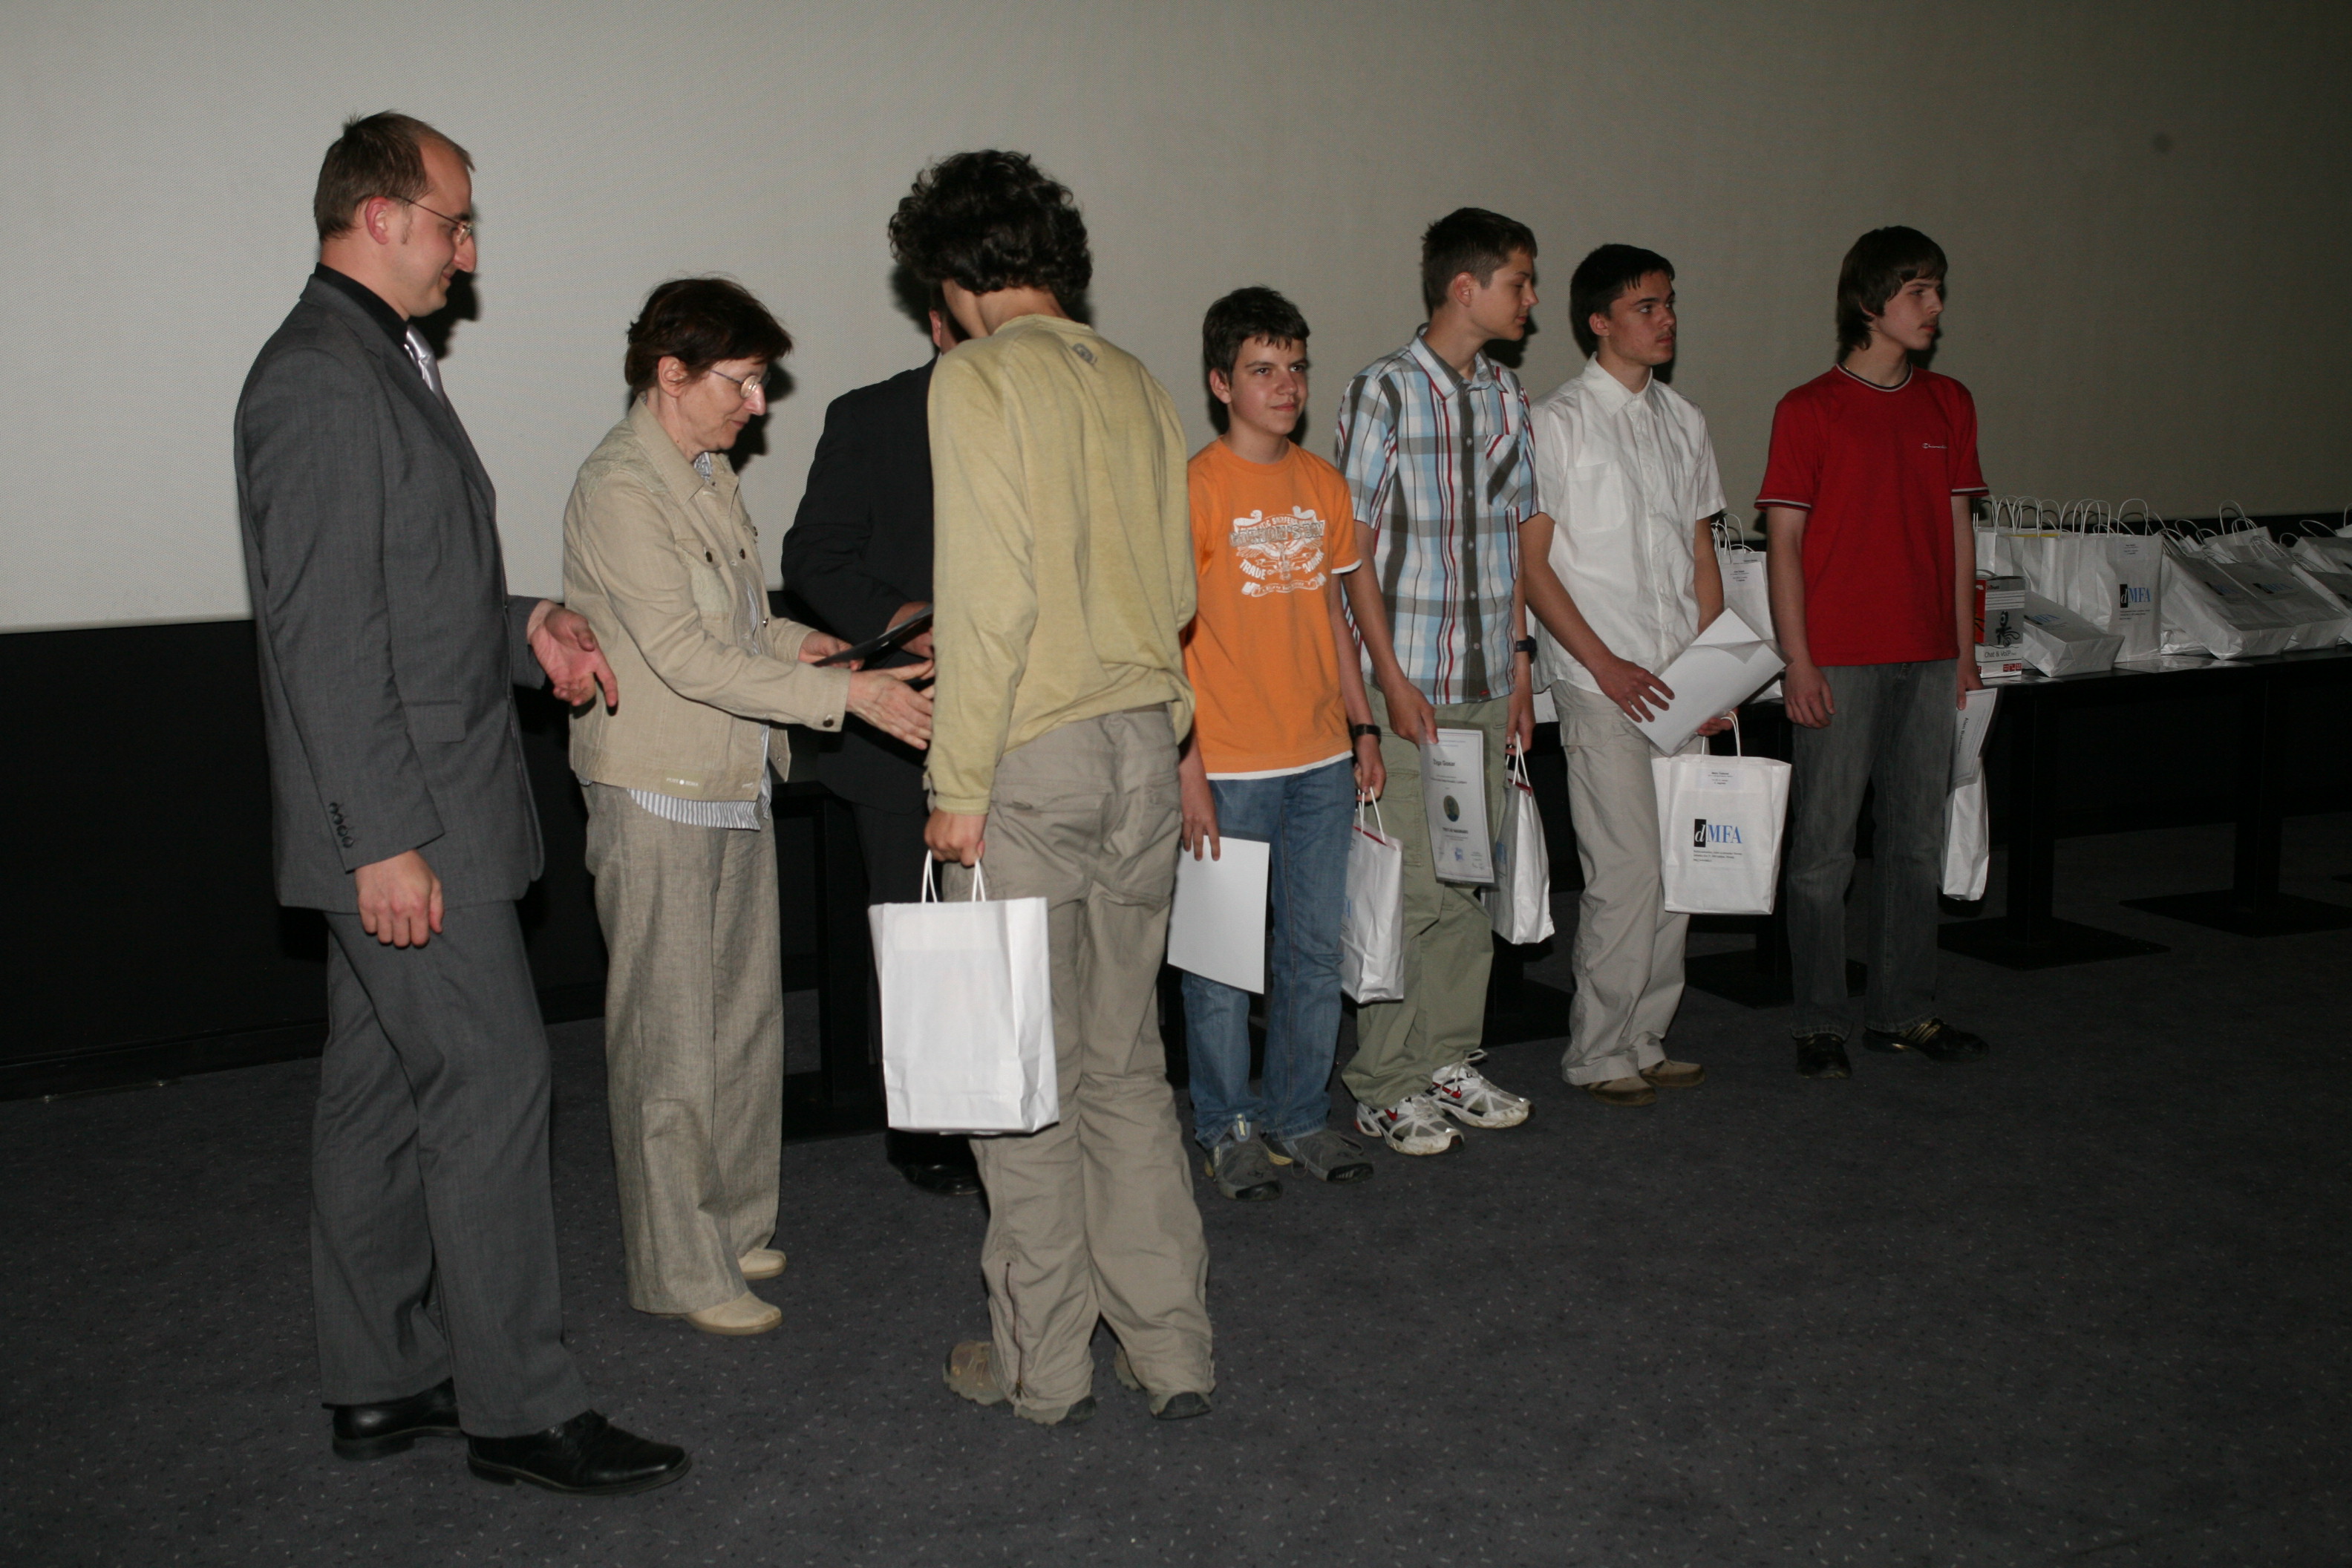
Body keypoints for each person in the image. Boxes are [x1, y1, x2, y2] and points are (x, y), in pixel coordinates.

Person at [233, 112, 685, 1494]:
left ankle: (382, 1376)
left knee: (379, 1093)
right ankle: (519, 1408)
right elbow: (324, 639)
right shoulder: (321, 377)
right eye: (454, 223)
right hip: (408, 822)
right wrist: (381, 841)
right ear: (381, 216)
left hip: (424, 805)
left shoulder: (374, 360)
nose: (468, 252)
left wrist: (527, 626)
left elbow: (409, 592)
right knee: (492, 1084)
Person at [894, 149, 1213, 1425]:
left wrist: (957, 779)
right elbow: (1179, 595)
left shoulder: (974, 377)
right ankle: (1172, 1351)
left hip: (1029, 758)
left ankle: (1044, 1368)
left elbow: (989, 599)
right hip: (1143, 748)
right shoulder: (1135, 379)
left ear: (951, 274)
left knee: (1018, 1079)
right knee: (1126, 1067)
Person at [563, 278, 934, 1336]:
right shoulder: (620, 487)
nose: (758, 404)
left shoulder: (704, 472)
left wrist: (811, 645)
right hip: (656, 786)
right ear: (671, 374)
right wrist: (848, 696)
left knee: (740, 1025)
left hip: (729, 778)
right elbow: (681, 657)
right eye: (744, 381)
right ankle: (679, 1268)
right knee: (670, 1040)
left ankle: (728, 1223)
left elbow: (735, 625)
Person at [1330, 207, 1542, 1157]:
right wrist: (1386, 678)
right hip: (1406, 683)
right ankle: (1384, 1081)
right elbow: (1351, 552)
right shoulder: (1383, 389)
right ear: (1466, 288)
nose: (1530, 300)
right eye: (1518, 282)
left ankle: (1448, 1058)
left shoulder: (1507, 395)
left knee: (1467, 882)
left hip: (1487, 679)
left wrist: (1523, 667)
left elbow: (1515, 544)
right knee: (1409, 888)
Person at [1758, 226, 1992, 1079]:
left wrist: (1962, 649)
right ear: (1870, 303)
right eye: (1918, 291)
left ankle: (1902, 1010)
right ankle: (1819, 1022)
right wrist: (1799, 659)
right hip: (1839, 660)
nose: (1935, 307)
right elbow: (1784, 544)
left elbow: (1959, 531)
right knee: (1823, 851)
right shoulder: (1808, 409)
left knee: (1916, 844)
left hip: (1928, 657)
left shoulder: (1949, 402)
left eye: (1938, 290)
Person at [1176, 287, 1385, 1199]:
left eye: (1296, 367)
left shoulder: (1323, 484)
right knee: (1221, 965)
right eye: (1263, 370)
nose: (1286, 385)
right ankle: (1226, 1128)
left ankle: (1299, 1118)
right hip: (1227, 766)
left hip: (1321, 763)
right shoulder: (1194, 488)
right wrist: (1186, 768)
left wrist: (1362, 725)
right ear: (1222, 384)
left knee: (1312, 955)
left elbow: (1336, 618)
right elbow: (1166, 640)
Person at [777, 290, 982, 1199]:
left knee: (1011, 928)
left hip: (1030, 726)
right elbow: (813, 557)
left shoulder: (1043, 416)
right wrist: (905, 618)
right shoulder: (869, 418)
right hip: (906, 724)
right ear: (937, 323)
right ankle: (927, 1124)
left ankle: (1010, 1105)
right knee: (918, 929)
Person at [1523, 245, 1732, 1108]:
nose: (1666, 318)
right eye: (1647, 306)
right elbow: (1532, 564)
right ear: (1599, 322)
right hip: (1599, 678)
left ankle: (1647, 1035)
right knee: (1627, 871)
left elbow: (1701, 553)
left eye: (1670, 303)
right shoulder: (1557, 421)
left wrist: (1715, 675)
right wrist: (1603, 663)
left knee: (1679, 871)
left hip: (1681, 678)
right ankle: (1597, 1050)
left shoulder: (1685, 420)